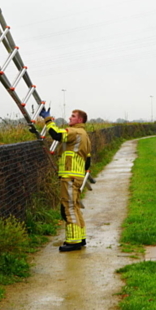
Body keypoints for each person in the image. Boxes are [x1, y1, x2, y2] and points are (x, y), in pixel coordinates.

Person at [39, 107, 91, 252]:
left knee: (68, 207)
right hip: (77, 176)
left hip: (69, 175)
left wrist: (48, 119)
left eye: (73, 116)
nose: (69, 118)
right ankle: (80, 238)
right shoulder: (85, 135)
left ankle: (73, 241)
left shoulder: (74, 132)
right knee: (74, 207)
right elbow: (88, 160)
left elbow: (56, 134)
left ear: (80, 120)